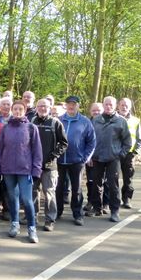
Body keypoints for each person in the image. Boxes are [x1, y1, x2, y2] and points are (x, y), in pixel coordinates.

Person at [0, 100, 42, 243]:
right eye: (15, 109)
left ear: (25, 110)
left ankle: (32, 228)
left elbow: (37, 151)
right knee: (12, 199)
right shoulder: (5, 128)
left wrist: (36, 170)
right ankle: (14, 223)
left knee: (27, 200)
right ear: (12, 110)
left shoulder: (31, 128)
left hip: (25, 170)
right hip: (8, 169)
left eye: (20, 109)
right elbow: (0, 149)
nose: (17, 111)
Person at [90, 96, 132, 222]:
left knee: (113, 185)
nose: (108, 106)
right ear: (103, 105)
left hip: (113, 158)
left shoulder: (121, 121)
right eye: (106, 104)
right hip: (97, 157)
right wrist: (90, 155)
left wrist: (120, 155)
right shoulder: (96, 120)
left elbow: (127, 141)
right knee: (96, 183)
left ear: (115, 106)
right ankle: (97, 207)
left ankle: (114, 211)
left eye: (111, 104)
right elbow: (89, 138)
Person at [56, 96, 96, 227]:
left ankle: (77, 214)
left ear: (78, 106)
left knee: (77, 189)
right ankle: (57, 211)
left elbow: (92, 142)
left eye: (74, 104)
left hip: (77, 161)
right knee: (58, 188)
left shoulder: (85, 121)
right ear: (65, 106)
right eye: (69, 104)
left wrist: (85, 158)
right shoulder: (58, 120)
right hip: (59, 161)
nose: (71, 106)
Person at [31, 99, 68, 231]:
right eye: (40, 106)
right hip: (33, 165)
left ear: (50, 108)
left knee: (49, 192)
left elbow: (64, 143)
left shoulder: (55, 123)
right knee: (33, 191)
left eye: (45, 106)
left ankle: (49, 220)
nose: (42, 108)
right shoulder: (32, 122)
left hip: (49, 165)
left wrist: (53, 156)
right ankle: (33, 217)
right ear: (36, 107)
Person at [117, 98, 141, 209]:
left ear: (130, 107)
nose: (124, 107)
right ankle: (114, 199)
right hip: (115, 153)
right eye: (122, 105)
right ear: (118, 106)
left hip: (129, 154)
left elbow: (139, 139)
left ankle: (127, 199)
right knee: (112, 177)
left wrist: (135, 152)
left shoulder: (136, 120)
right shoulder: (113, 119)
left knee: (128, 178)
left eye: (126, 105)